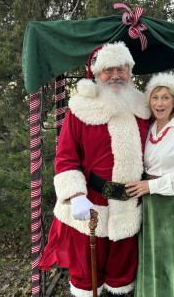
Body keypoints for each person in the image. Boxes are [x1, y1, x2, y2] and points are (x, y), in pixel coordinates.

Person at [39, 41, 151, 297]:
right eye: (107, 70)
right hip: (92, 204)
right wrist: (76, 196)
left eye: (121, 70)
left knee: (122, 274)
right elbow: (66, 156)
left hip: (131, 204)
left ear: (129, 72)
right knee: (87, 274)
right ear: (97, 74)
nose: (115, 76)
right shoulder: (80, 108)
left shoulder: (144, 107)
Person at [126, 72, 174, 297]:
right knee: (152, 257)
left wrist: (151, 187)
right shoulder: (149, 129)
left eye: (165, 97)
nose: (159, 102)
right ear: (149, 101)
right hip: (150, 204)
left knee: (172, 259)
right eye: (155, 97)